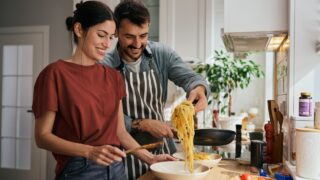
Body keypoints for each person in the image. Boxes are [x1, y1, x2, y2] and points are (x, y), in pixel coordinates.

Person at [32, 1, 175, 180]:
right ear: (79, 29)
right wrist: (90, 151)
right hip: (79, 170)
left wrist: (150, 158)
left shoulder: (113, 76)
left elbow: (120, 132)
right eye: (101, 35)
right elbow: (42, 137)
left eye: (111, 37)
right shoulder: (54, 74)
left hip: (117, 169)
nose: (107, 44)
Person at [102, 1, 210, 179]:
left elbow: (191, 78)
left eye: (143, 35)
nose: (137, 44)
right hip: (126, 156)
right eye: (129, 36)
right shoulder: (104, 66)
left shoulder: (162, 54)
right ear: (116, 32)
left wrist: (199, 89)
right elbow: (105, 118)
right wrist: (142, 124)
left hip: (164, 155)